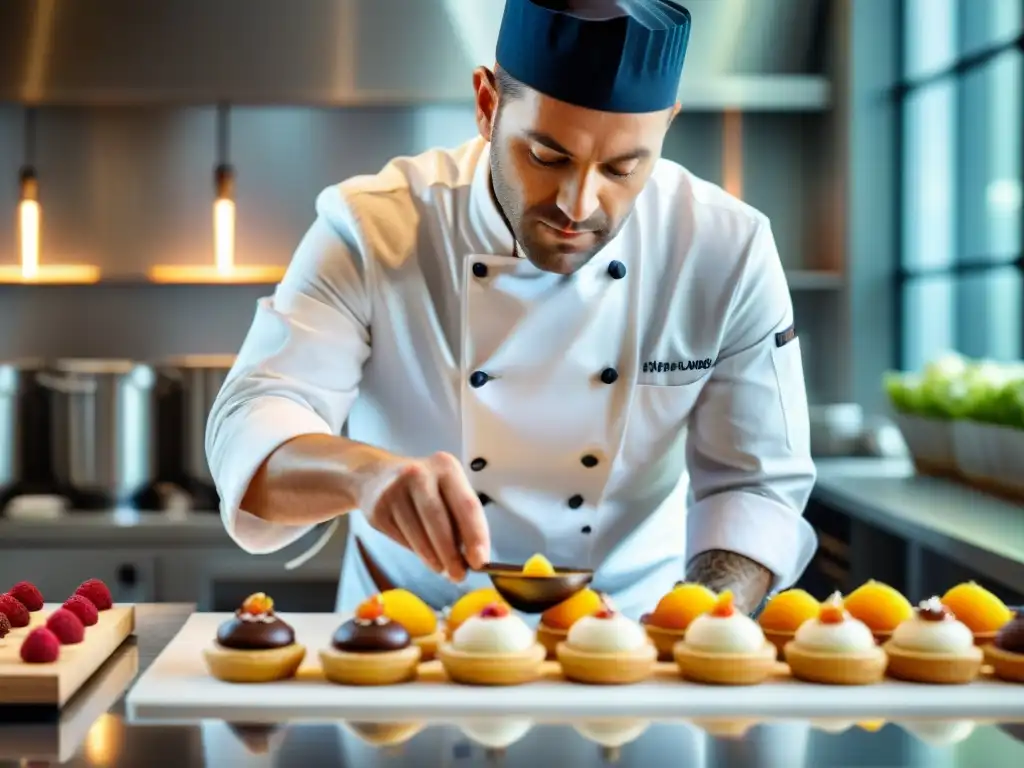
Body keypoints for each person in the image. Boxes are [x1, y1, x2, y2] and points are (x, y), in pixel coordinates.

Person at [205, 0, 817, 620]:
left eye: (623, 168)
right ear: (487, 104)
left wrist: (703, 621)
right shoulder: (374, 229)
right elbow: (253, 424)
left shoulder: (725, 248)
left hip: (638, 638)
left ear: (667, 126)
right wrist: (362, 475)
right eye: (548, 158)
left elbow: (756, 484)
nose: (579, 205)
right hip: (406, 641)